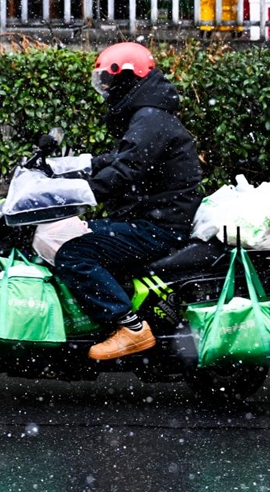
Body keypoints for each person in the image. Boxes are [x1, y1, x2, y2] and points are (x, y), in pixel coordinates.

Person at [55, 42, 203, 361]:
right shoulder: (147, 115)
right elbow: (119, 158)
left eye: (108, 80)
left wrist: (79, 194)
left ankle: (131, 327)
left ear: (127, 77)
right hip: (150, 219)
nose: (106, 89)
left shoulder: (150, 118)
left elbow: (126, 170)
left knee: (73, 253)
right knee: (74, 234)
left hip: (157, 227)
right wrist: (68, 169)